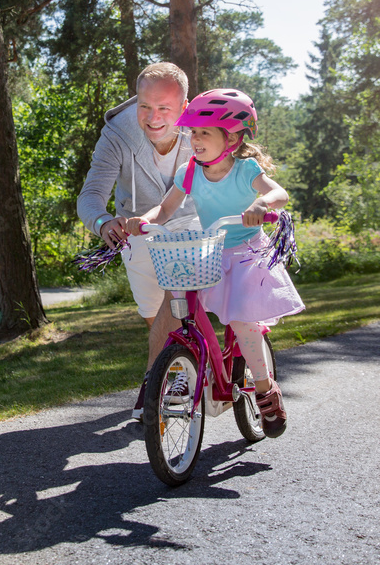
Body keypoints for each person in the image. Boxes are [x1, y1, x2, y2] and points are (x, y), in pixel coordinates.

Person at [123, 88, 305, 437]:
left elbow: (278, 193)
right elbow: (165, 209)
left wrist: (262, 205)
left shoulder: (245, 170)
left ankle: (266, 389)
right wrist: (142, 221)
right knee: (182, 309)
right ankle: (178, 374)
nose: (195, 139)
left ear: (232, 138)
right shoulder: (189, 171)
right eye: (192, 133)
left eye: (204, 132)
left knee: (241, 320)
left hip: (246, 254)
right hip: (210, 253)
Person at [77, 62, 200, 420]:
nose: (153, 117)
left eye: (165, 108)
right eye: (145, 106)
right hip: (138, 230)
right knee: (153, 314)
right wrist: (102, 223)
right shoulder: (118, 133)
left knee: (174, 297)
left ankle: (156, 381)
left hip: (191, 223)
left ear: (184, 105)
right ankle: (176, 369)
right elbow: (90, 196)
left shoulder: (201, 129)